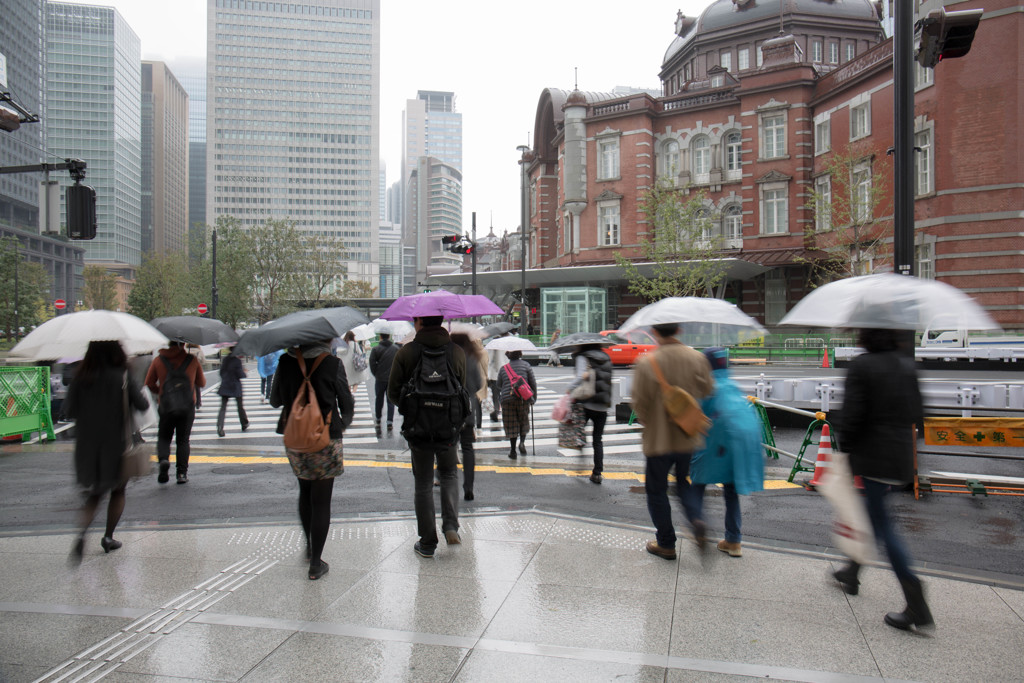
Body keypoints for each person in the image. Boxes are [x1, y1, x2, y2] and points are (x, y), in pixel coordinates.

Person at [833, 328, 934, 632]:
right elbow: (919, 413)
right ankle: (852, 571)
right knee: (874, 515)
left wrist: (845, 448)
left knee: (883, 524)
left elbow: (852, 415)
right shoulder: (906, 364)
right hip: (900, 458)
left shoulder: (862, 366)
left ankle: (916, 599)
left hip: (871, 456)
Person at [270, 339, 354, 580]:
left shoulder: (286, 362)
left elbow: (275, 400)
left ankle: (309, 546)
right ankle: (316, 562)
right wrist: (343, 421)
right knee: (322, 500)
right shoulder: (331, 363)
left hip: (296, 436)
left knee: (304, 490)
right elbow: (346, 402)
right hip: (326, 437)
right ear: (325, 339)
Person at [631, 322, 713, 560]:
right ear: (679, 330)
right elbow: (707, 389)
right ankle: (696, 518)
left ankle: (666, 543)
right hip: (687, 435)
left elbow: (639, 404)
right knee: (682, 482)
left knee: (656, 489)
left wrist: (651, 419)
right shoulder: (697, 358)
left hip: (658, 439)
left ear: (655, 332)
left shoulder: (647, 362)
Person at [387, 315, 467, 558]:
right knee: (449, 473)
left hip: (418, 428)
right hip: (448, 428)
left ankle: (427, 542)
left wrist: (411, 406)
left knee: (422, 482)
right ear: (441, 320)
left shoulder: (406, 352)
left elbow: (392, 393)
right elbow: (462, 388)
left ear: (419, 321)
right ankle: (451, 526)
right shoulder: (456, 351)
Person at [65, 340, 149, 562]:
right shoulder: (121, 375)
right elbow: (142, 405)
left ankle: (82, 534)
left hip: (86, 446)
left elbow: (69, 410)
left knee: (95, 492)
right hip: (116, 443)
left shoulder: (81, 376)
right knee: (118, 490)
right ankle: (108, 536)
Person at [689, 347, 765, 558]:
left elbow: (695, 417)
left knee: (697, 484)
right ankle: (733, 541)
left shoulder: (706, 387)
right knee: (730, 491)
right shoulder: (732, 386)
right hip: (739, 445)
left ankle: (698, 521)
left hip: (714, 443)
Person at [146, 341, 206, 485]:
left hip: (166, 405)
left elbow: (149, 383)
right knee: (183, 440)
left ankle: (164, 460)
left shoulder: (158, 360)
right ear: (183, 344)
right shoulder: (191, 360)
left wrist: (160, 393)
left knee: (164, 437)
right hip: (187, 406)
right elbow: (202, 383)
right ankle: (181, 473)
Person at [565, 343, 613, 484]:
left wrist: (569, 388)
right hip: (602, 404)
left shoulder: (583, 357)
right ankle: (597, 473)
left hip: (586, 403)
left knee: (578, 432)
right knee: (598, 440)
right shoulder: (606, 357)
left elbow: (580, 377)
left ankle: (581, 460)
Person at [451, 332, 487, 501]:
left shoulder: (450, 358)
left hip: (451, 410)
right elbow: (479, 384)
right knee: (468, 448)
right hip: (469, 409)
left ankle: (445, 479)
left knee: (449, 446)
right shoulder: (472, 359)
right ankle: (469, 487)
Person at [496, 350, 537, 459]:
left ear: (508, 355)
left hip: (507, 399)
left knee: (511, 424)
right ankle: (522, 443)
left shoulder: (503, 368)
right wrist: (533, 398)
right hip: (523, 399)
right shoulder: (526, 366)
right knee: (523, 420)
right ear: (520, 354)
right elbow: (533, 383)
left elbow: (498, 385)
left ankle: (513, 450)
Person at [369, 332, 399, 437]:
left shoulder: (376, 349)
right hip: (391, 378)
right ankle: (390, 421)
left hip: (380, 378)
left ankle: (378, 419)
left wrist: (376, 373)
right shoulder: (395, 349)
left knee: (379, 399)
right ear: (389, 336)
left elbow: (372, 363)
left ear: (381, 337)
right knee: (390, 401)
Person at [217, 347, 250, 438]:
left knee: (223, 407)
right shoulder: (237, 361)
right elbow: (241, 375)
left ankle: (220, 426)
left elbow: (221, 372)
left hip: (225, 384)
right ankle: (244, 423)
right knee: (240, 406)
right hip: (235, 386)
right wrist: (244, 371)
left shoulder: (225, 359)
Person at [486, 334, 510, 423]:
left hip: (493, 375)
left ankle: (494, 413)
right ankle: (504, 412)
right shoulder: (505, 346)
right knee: (504, 394)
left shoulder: (490, 347)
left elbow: (488, 360)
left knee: (495, 395)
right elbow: (507, 360)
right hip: (504, 373)